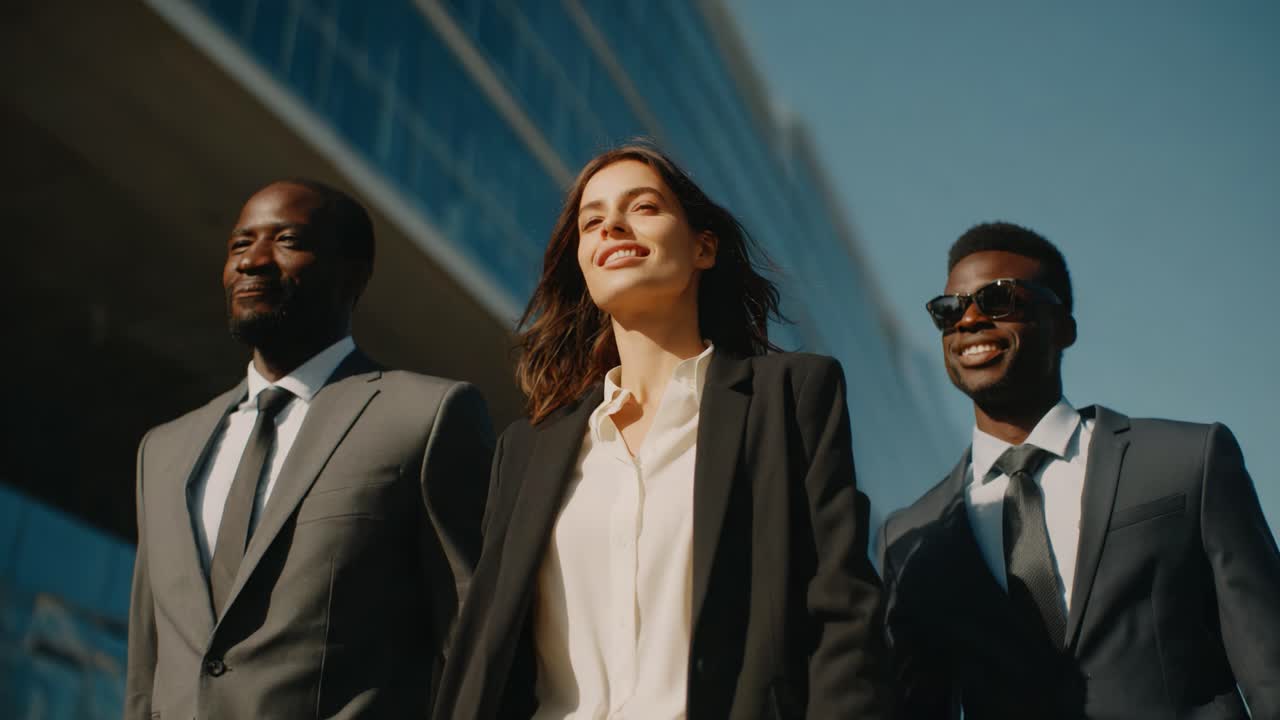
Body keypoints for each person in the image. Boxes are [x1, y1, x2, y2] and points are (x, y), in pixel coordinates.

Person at [433, 144, 889, 719]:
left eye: (642, 207)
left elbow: (843, 612)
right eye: (591, 221)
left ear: (704, 246)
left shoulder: (789, 397)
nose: (613, 227)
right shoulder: (526, 448)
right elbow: (485, 650)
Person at [879, 221, 1280, 719]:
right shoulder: (912, 535)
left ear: (1063, 325)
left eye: (999, 299)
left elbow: (1271, 668)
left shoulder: (1187, 460)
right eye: (949, 310)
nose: (969, 320)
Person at [124, 179, 493, 718]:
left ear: (354, 272)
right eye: (238, 245)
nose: (252, 260)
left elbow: (474, 640)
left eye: (287, 240)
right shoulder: (163, 450)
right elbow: (146, 665)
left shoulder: (428, 416)